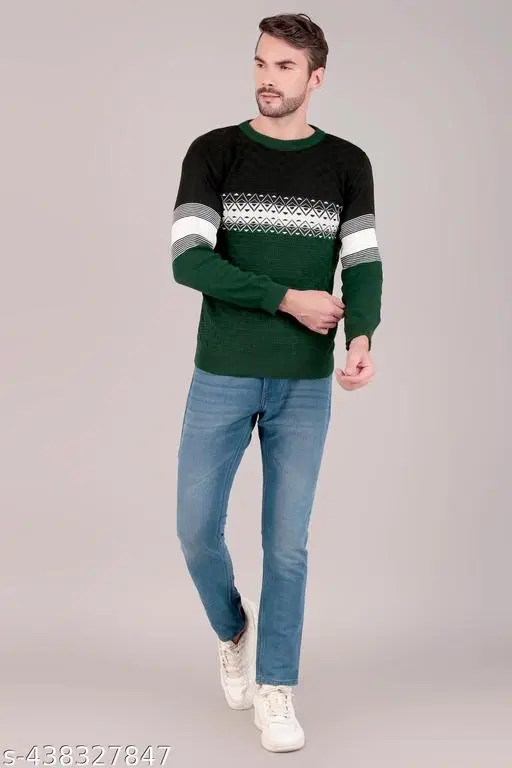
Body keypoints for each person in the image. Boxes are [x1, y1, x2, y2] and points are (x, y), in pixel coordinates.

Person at [170, 12, 382, 753]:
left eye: (285, 66)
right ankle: (233, 630)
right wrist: (289, 299)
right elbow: (189, 259)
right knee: (195, 529)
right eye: (261, 62)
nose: (268, 78)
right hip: (223, 371)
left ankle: (277, 686)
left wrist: (362, 335)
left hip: (304, 383)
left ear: (315, 78)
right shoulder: (214, 152)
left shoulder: (347, 163)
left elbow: (362, 262)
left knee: (287, 545)